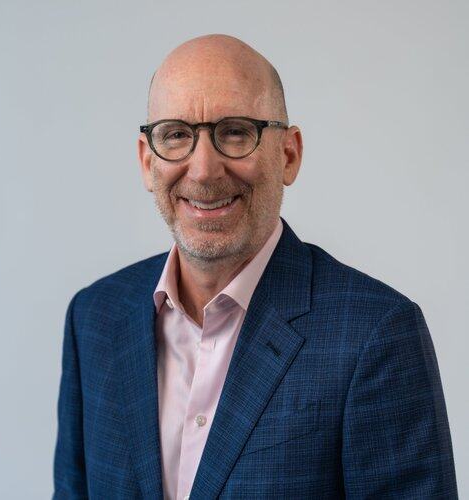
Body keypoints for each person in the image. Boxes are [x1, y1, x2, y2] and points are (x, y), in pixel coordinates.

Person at [53, 34, 458, 499]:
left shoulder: (375, 334)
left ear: (289, 154)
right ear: (148, 162)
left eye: (235, 132)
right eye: (176, 135)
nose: (203, 170)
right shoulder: (94, 319)